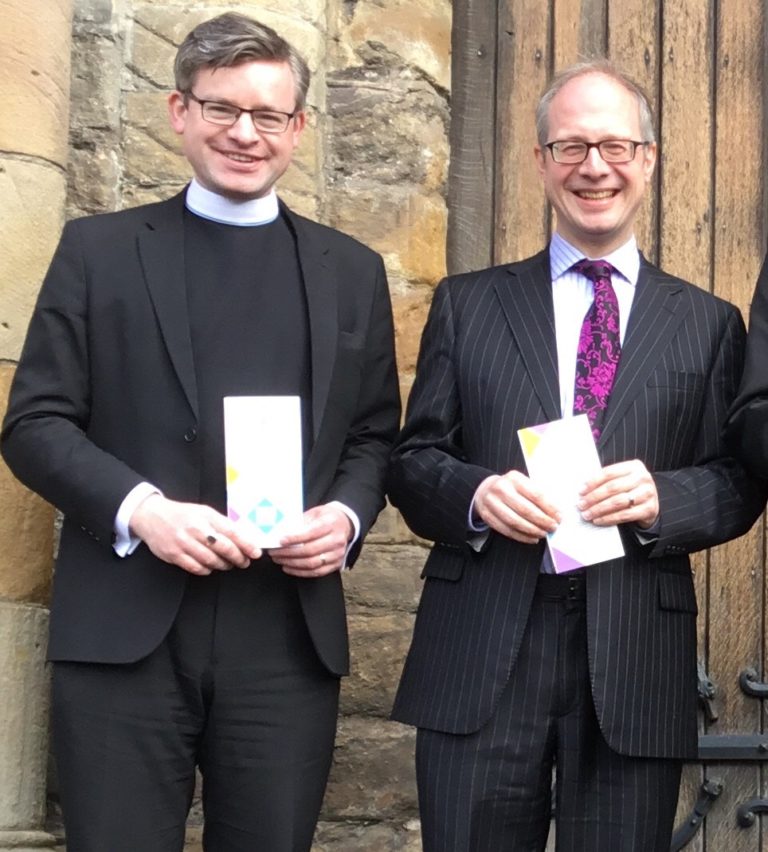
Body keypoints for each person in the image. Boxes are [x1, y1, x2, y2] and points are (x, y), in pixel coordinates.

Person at [1, 12, 399, 852]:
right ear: (180, 112)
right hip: (126, 632)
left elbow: (373, 437)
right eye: (222, 109)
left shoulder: (351, 272)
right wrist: (143, 510)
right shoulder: (98, 251)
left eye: (268, 115)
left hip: (285, 638)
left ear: (299, 129)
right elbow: (34, 423)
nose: (244, 134)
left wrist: (347, 519)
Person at [388, 59, 764, 851]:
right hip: (483, 645)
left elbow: (739, 478)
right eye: (571, 147)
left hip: (632, 656)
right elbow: (413, 459)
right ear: (540, 161)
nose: (595, 167)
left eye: (616, 146)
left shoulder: (709, 322)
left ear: (650, 159)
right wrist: (474, 495)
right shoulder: (468, 304)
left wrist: (669, 499)